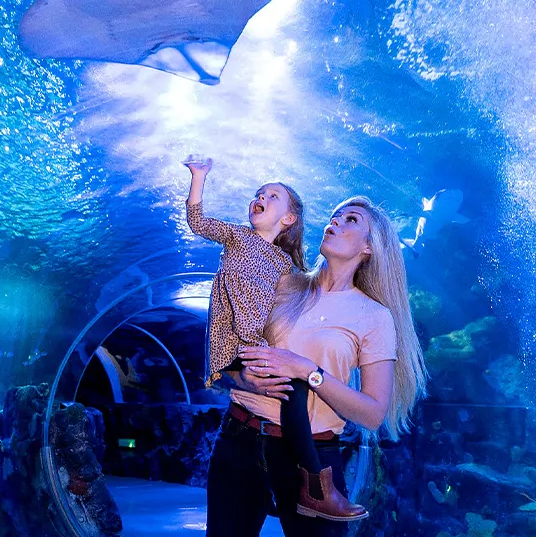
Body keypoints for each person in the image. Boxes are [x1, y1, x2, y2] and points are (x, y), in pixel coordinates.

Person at [206, 197, 430, 536]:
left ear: (369, 247)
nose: (336, 220)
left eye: (351, 219)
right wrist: (241, 379)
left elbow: (372, 414)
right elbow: (221, 351)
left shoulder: (375, 317)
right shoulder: (282, 283)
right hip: (240, 436)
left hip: (313, 458)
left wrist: (307, 370)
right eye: (335, 214)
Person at [181, 155, 361, 519]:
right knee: (293, 390)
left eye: (272, 196)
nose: (260, 197)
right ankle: (317, 486)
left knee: (294, 391)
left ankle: (309, 486)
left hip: (258, 344)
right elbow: (197, 221)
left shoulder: (286, 267)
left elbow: (298, 307)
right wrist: (199, 176)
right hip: (233, 341)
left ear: (288, 219)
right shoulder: (237, 236)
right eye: (259, 193)